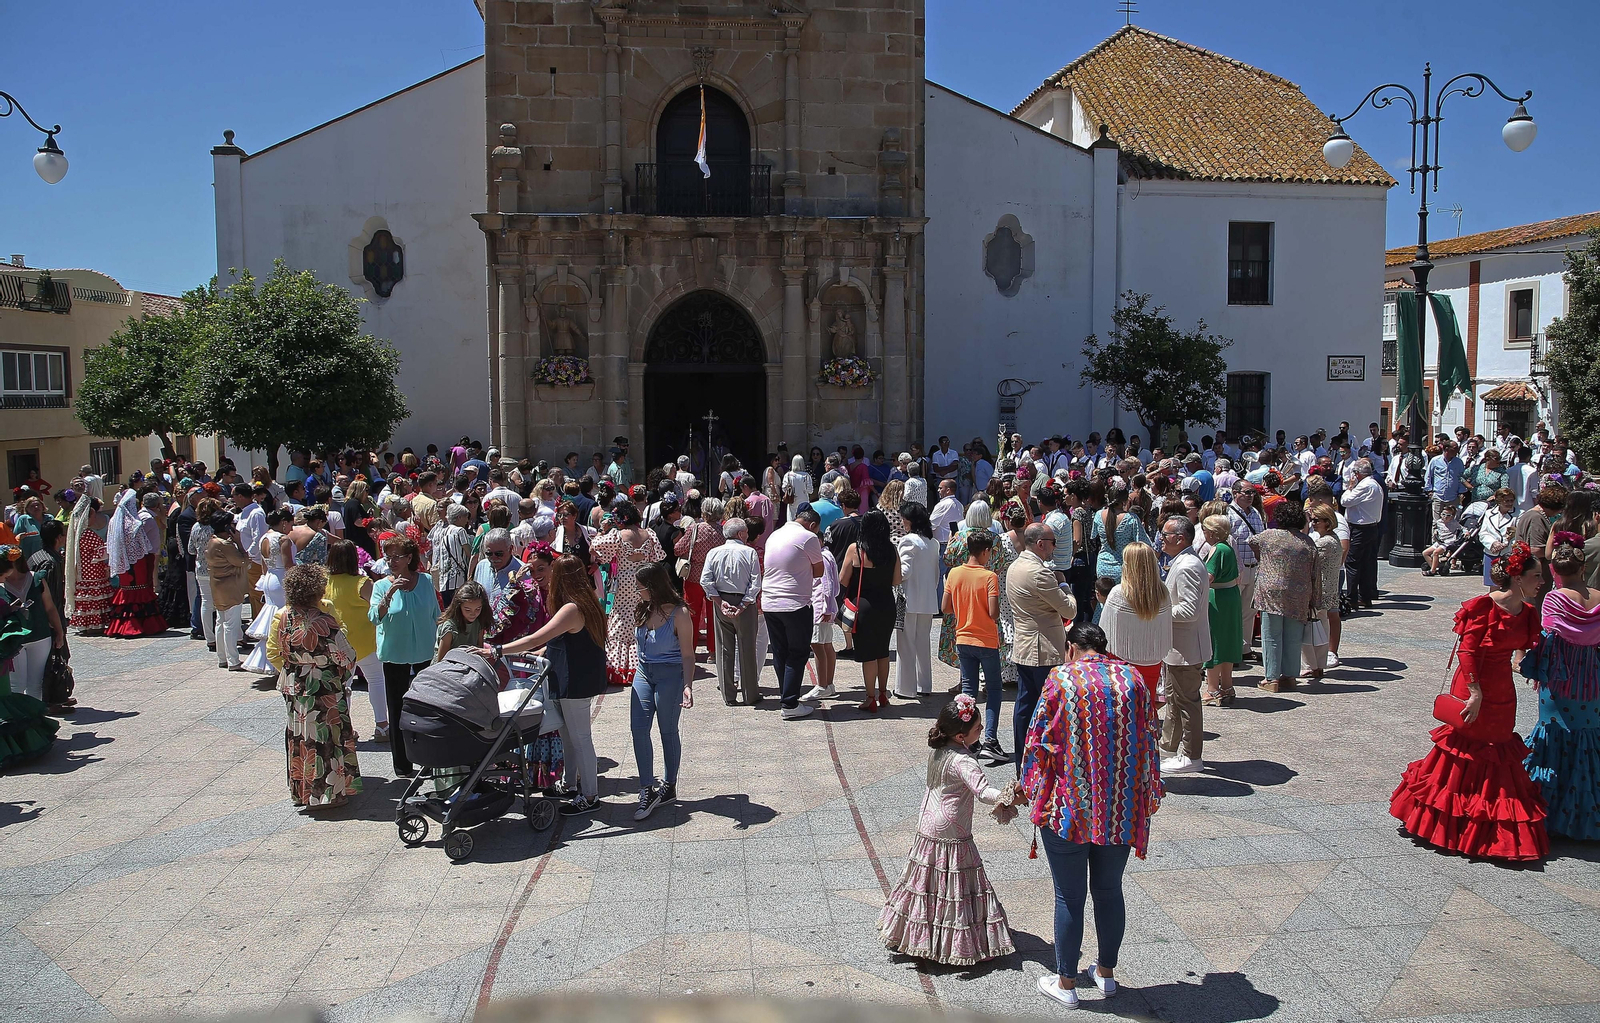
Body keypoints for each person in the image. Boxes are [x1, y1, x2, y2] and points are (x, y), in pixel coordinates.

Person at [1023, 623, 1163, 1010]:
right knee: (1109, 890)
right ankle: (1105, 974)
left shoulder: (1061, 678)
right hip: (1119, 807)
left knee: (1069, 896)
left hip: (1069, 807)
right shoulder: (1132, 678)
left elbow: (1038, 741)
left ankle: (1066, 982)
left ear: (1071, 649)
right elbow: (1150, 735)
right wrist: (1149, 792)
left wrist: (1028, 788)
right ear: (1103, 648)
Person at [1391, 543, 1549, 861]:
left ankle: (1487, 821)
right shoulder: (1483, 607)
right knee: (1465, 746)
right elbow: (1467, 651)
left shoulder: (1529, 613)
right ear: (1517, 578)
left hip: (1503, 689)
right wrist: (1475, 692)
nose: (1541, 582)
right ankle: (1450, 822)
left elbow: (1522, 656)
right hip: (1473, 684)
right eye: (1536, 576)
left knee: (1500, 746)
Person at [877, 693, 1016, 966]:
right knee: (953, 886)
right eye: (977, 728)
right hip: (952, 829)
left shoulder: (940, 751)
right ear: (962, 736)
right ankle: (952, 943)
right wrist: (1009, 794)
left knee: (924, 883)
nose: (982, 731)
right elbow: (983, 792)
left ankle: (916, 936)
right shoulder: (965, 761)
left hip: (928, 822)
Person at [480, 554, 608, 815]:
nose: (547, 578)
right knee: (568, 735)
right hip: (572, 676)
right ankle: (570, 785)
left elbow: (538, 637)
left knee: (580, 737)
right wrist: (542, 652)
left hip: (576, 681)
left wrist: (498, 650)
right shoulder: (586, 601)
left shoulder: (572, 607)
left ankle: (591, 796)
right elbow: (558, 641)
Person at [263, 564, 362, 809]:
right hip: (323, 688)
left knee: (302, 740)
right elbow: (347, 656)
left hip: (295, 687)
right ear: (317, 591)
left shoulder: (283, 617)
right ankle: (328, 794)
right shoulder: (324, 621)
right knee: (326, 741)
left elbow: (276, 652)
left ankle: (303, 793)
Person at [1521, 535, 1600, 841]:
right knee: (1588, 735)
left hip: (1560, 676)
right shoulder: (1597, 597)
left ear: (1555, 570)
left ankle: (1552, 811)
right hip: (1591, 676)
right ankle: (1585, 815)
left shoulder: (1555, 599)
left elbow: (1548, 636)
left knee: (1554, 734)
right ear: (1583, 568)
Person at [628, 562, 696, 821]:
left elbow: (688, 655)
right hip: (644, 673)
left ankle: (669, 784)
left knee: (667, 730)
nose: (638, 591)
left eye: (641, 587)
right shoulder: (643, 608)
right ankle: (646, 788)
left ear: (654, 586)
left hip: (671, 674)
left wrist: (687, 686)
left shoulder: (679, 613)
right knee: (639, 728)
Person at [1006, 522, 1076, 772]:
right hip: (1043, 650)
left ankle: (1023, 763)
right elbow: (1069, 609)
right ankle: (1043, 765)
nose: (1054, 548)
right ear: (1041, 544)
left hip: (1025, 646)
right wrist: (1065, 586)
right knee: (1047, 710)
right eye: (1052, 542)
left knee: (1025, 706)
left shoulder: (1015, 566)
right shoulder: (1040, 572)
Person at [369, 535, 439, 777]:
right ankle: (402, 764)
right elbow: (374, 618)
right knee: (397, 708)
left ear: (410, 558)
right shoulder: (380, 586)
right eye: (388, 557)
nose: (392, 561)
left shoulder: (426, 581)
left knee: (427, 707)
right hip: (395, 654)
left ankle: (430, 759)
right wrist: (388, 595)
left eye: (397, 556)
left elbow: (435, 615)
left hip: (424, 653)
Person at [944, 529, 1006, 763]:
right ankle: (990, 738)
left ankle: (966, 739)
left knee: (968, 692)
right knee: (994, 690)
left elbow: (946, 607)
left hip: (963, 638)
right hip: (986, 640)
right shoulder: (989, 577)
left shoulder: (954, 574)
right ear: (986, 551)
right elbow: (993, 612)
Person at [590, 502, 665, 688]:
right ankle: (643, 663)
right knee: (642, 616)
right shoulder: (649, 534)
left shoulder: (619, 535)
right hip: (645, 580)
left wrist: (603, 532)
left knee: (619, 620)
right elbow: (658, 558)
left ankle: (619, 667)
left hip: (624, 581)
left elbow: (596, 546)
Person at [763, 506, 826, 719]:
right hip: (795, 604)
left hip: (770, 602)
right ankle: (789, 704)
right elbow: (819, 571)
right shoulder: (809, 538)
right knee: (798, 653)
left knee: (780, 652)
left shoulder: (775, 534)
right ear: (813, 525)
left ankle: (786, 696)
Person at [1159, 516, 1211, 774]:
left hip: (1186, 649)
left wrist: (1159, 612)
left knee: (1187, 702)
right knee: (1173, 699)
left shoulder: (1188, 565)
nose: (1161, 539)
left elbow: (1189, 610)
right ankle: (1169, 747)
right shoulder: (1181, 562)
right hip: (1176, 648)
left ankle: (1192, 755)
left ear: (1180, 539)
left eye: (1165, 535)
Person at [1249, 501, 1319, 692]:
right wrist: (1315, 599)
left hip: (1270, 591)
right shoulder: (1308, 542)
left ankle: (1271, 678)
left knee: (1271, 635)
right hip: (1299, 592)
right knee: (1293, 636)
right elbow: (1315, 572)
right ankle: (1290, 676)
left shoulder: (1268, 536)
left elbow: (1251, 542)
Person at [324, 538, 386, 743]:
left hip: (338, 643)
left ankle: (344, 728)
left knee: (343, 687)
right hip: (365, 641)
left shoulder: (325, 582)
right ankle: (382, 726)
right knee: (376, 681)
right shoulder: (363, 583)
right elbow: (377, 609)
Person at [839, 509, 901, 712]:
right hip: (886, 604)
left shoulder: (855, 550)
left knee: (868, 655)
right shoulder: (891, 550)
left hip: (863, 606)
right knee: (883, 650)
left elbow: (843, 579)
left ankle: (870, 697)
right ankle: (883, 694)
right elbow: (897, 580)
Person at [1099, 542, 1171, 710]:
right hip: (1153, 660)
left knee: (1123, 710)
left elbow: (1104, 631)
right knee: (1147, 708)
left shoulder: (1118, 593)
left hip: (1121, 662)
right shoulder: (1162, 593)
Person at [699, 517, 762, 706]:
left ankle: (728, 694)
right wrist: (743, 605)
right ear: (741, 533)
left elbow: (706, 580)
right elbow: (755, 583)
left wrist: (719, 602)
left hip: (721, 601)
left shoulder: (714, 553)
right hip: (744, 602)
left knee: (724, 649)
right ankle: (750, 694)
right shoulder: (749, 552)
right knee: (747, 649)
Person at [0, 545, 65, 702]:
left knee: (35, 684)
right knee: (17, 684)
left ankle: (35, 720)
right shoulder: (1, 583)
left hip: (40, 636)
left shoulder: (36, 578)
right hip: (14, 641)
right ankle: (19, 721)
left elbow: (50, 608)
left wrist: (59, 632)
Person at [892, 502, 941, 699]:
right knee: (922, 642)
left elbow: (904, 572)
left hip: (908, 598)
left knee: (905, 643)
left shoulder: (908, 541)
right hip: (928, 599)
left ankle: (905, 687)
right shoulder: (932, 542)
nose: (902, 521)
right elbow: (936, 575)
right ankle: (924, 684)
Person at [105, 489, 167, 637]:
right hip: (137, 561)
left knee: (127, 590)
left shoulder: (114, 520)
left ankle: (124, 625)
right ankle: (141, 624)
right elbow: (142, 544)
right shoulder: (133, 523)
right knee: (140, 589)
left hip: (122, 561)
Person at [242, 510, 296, 675]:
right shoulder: (283, 539)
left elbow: (263, 565)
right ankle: (279, 660)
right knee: (284, 618)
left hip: (269, 577)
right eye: (291, 524)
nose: (292, 528)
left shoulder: (264, 538)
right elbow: (289, 565)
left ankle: (269, 660)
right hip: (280, 579)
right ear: (284, 522)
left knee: (272, 616)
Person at [1199, 514, 1242, 706]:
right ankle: (1227, 685)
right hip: (1231, 596)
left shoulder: (1217, 549)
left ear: (1213, 532)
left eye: (1205, 530)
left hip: (1217, 599)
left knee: (1214, 641)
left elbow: (1208, 577)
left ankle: (1212, 688)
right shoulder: (1229, 548)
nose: (1204, 533)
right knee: (1228, 641)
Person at [64, 479, 111, 636]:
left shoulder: (79, 534)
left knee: (88, 599)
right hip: (93, 573)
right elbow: (101, 552)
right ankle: (95, 625)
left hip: (84, 573)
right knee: (94, 598)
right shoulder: (88, 534)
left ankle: (88, 624)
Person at [205, 513, 251, 671]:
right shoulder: (225, 544)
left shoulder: (212, 540)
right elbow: (243, 561)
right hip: (230, 586)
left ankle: (222, 658)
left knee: (221, 622)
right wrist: (239, 543)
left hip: (217, 584)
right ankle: (233, 660)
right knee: (231, 624)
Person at [1303, 505, 1344, 679]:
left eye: (1316, 520)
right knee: (1321, 628)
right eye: (1311, 520)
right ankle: (1318, 665)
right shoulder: (1333, 539)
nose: (1312, 523)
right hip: (1328, 591)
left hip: (1320, 592)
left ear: (1327, 522)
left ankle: (1312, 665)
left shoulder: (1325, 542)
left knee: (1310, 629)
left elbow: (1306, 558)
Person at [1091, 482, 1151, 588]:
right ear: (1125, 499)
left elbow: (1093, 536)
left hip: (1103, 565)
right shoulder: (1131, 519)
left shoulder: (1098, 515)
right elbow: (1144, 543)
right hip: (1124, 566)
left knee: (1105, 600)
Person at [807, 543, 840, 702]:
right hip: (825, 606)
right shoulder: (828, 555)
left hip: (820, 606)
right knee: (826, 644)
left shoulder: (822, 557)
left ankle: (822, 685)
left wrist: (826, 608)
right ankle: (828, 684)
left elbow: (827, 584)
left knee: (817, 644)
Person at [435, 581, 489, 662]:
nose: (473, 614)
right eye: (467, 610)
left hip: (470, 665)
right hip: (448, 667)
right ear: (458, 606)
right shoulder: (449, 627)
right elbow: (440, 661)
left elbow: (480, 651)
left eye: (478, 609)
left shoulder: (479, 621)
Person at [1478, 488, 1519, 588]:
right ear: (1499, 501)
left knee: (1509, 585)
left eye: (1511, 500)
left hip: (1508, 554)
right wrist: (1493, 543)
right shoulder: (1488, 513)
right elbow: (1483, 533)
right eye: (1507, 501)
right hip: (1491, 553)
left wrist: (1505, 544)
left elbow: (1518, 534)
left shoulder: (1518, 514)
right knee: (1493, 585)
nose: (1510, 503)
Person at [1421, 504, 1465, 577]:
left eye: (1448, 515)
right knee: (1425, 553)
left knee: (1435, 553)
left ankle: (1432, 571)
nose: (1445, 517)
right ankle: (1434, 568)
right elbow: (1437, 529)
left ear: (1452, 516)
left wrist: (1466, 532)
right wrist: (1435, 531)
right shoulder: (1439, 522)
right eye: (1443, 514)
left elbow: (1462, 528)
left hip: (1448, 542)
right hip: (1440, 541)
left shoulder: (1454, 523)